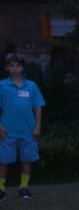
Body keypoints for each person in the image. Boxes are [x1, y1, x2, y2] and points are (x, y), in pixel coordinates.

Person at [0, 53, 45, 201]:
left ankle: (23, 188)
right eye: (11, 65)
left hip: (28, 131)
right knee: (3, 160)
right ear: (6, 68)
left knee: (27, 159)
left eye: (18, 65)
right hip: (7, 131)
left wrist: (37, 126)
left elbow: (38, 107)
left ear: (22, 67)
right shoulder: (2, 86)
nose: (15, 68)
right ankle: (1, 188)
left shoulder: (31, 86)